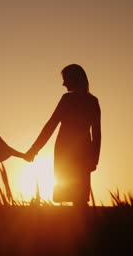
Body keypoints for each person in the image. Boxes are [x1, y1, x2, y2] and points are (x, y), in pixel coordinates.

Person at [26, 64, 101, 206]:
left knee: (72, 194)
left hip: (67, 151)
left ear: (74, 79)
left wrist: (33, 150)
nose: (63, 83)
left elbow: (50, 126)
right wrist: (94, 158)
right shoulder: (92, 101)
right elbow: (97, 135)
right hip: (82, 152)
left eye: (66, 79)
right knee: (79, 197)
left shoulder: (68, 99)